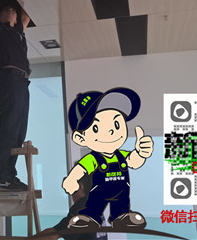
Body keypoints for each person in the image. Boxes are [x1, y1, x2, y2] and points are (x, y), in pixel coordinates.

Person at [62, 88, 153, 230]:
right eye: (96, 128)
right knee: (94, 205)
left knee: (121, 206)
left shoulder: (121, 155)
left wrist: (141, 153)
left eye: (116, 124)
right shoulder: (92, 159)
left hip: (121, 193)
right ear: (80, 138)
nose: (111, 131)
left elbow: (134, 161)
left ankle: (121, 217)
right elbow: (80, 169)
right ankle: (90, 217)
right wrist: (72, 179)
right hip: (99, 192)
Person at [0, 0, 31, 190]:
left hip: (22, 81)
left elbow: (25, 18)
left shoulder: (19, 32)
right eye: (7, 10)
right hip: (9, 79)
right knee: (10, 125)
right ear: (1, 16)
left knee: (20, 130)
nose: (11, 11)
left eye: (13, 11)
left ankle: (9, 174)